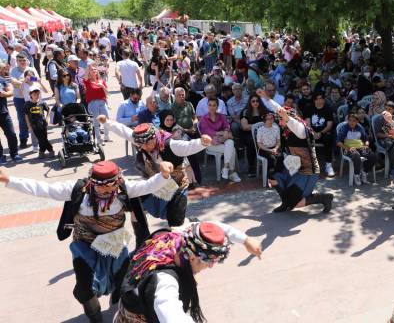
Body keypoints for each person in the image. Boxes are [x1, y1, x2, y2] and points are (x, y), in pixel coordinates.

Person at [0, 160, 173, 323]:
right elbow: (43, 188)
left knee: (124, 282)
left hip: (115, 244)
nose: (105, 191)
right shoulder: (77, 190)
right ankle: (95, 318)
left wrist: (163, 174)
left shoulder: (125, 188)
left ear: (117, 180)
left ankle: (118, 306)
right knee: (84, 289)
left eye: (110, 186)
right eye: (100, 187)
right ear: (92, 182)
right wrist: (9, 180)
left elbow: (149, 185)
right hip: (85, 245)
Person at [115, 220, 261, 322]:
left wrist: (246, 240)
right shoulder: (165, 281)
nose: (211, 266)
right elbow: (172, 315)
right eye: (209, 262)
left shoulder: (181, 237)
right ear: (192, 258)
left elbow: (211, 227)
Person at [99, 115, 212, 228]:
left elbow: (188, 146)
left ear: (154, 137)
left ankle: (188, 224)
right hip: (155, 184)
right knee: (132, 198)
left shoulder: (170, 144)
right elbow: (124, 131)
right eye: (141, 145)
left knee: (176, 223)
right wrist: (106, 122)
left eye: (147, 143)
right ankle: (142, 235)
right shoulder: (141, 140)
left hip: (177, 187)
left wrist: (202, 143)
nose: (145, 147)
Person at [258, 89, 333, 213]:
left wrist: (267, 98)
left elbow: (282, 113)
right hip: (296, 168)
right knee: (273, 178)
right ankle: (285, 202)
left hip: (309, 172)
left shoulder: (300, 129)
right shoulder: (288, 130)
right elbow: (281, 113)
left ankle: (324, 198)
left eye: (281, 119)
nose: (279, 121)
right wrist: (266, 98)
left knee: (296, 204)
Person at [199, 98, 241, 182]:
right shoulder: (204, 118)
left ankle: (225, 168)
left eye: (214, 105)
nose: (212, 107)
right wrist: (221, 133)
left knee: (230, 142)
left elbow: (227, 126)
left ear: (217, 106)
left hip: (222, 141)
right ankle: (232, 172)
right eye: (210, 105)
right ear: (207, 106)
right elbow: (206, 131)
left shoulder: (221, 116)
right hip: (210, 143)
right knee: (231, 148)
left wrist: (225, 131)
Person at [171, 87, 203, 184]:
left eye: (183, 95)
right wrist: (186, 130)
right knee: (190, 152)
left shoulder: (189, 104)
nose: (181, 97)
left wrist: (194, 125)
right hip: (181, 133)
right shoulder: (172, 107)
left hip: (192, 130)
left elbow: (195, 118)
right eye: (179, 95)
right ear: (174, 96)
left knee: (202, 141)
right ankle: (194, 178)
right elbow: (174, 124)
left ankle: (195, 177)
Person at [336, 112, 377, 186]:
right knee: (356, 155)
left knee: (373, 156)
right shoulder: (344, 128)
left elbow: (366, 139)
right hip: (349, 148)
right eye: (350, 120)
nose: (351, 122)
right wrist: (348, 148)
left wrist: (366, 145)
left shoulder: (360, 127)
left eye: (354, 121)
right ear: (348, 120)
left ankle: (364, 173)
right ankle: (357, 175)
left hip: (360, 147)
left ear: (357, 121)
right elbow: (338, 142)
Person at [9, 52, 40, 148]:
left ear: (27, 60)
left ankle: (37, 138)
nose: (22, 62)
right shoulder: (13, 70)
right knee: (22, 119)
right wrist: (26, 81)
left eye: (24, 60)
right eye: (20, 60)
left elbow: (37, 80)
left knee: (35, 118)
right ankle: (23, 139)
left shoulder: (31, 68)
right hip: (19, 99)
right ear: (17, 61)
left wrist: (24, 82)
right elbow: (14, 83)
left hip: (32, 99)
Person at [304, 92, 336, 177]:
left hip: (324, 132)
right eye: (318, 98)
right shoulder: (309, 108)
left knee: (329, 138)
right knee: (303, 138)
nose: (320, 100)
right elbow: (307, 123)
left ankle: (328, 164)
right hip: (311, 132)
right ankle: (309, 165)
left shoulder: (328, 108)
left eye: (322, 98)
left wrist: (320, 133)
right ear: (314, 100)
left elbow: (329, 125)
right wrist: (313, 133)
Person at [240, 94, 270, 178]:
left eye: (257, 101)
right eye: (253, 101)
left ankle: (270, 164)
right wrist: (259, 125)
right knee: (251, 142)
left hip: (264, 134)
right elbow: (245, 127)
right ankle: (251, 166)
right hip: (249, 134)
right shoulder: (245, 112)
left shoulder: (264, 111)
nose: (255, 103)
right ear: (250, 102)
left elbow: (270, 122)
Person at [83, 63, 111, 145]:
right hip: (93, 103)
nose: (93, 71)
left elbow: (107, 93)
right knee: (96, 122)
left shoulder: (101, 81)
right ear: (89, 72)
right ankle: (99, 139)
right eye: (91, 70)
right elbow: (85, 77)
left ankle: (106, 136)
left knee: (106, 119)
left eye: (95, 69)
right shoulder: (88, 82)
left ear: (97, 71)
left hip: (102, 102)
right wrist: (88, 67)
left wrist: (102, 86)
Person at [0, 63, 22, 163]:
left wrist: (4, 94)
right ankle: (0, 156)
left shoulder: (2, 80)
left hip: (3, 112)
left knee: (11, 134)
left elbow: (11, 91)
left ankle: (14, 154)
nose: (4, 70)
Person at [24, 86, 54, 158]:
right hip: (34, 125)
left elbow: (49, 110)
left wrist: (47, 119)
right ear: (30, 94)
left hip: (43, 124)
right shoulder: (27, 104)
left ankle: (41, 152)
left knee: (43, 138)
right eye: (34, 94)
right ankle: (51, 150)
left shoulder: (42, 103)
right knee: (41, 138)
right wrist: (29, 126)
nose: (36, 96)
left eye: (38, 94)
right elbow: (26, 115)